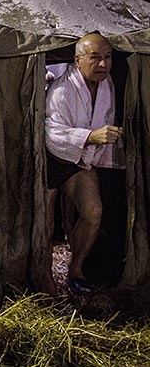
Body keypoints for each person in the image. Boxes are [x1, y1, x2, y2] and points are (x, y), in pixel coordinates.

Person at [44, 32, 125, 296]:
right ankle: (43, 276)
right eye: (96, 58)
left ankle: (76, 270)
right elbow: (52, 134)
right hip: (52, 159)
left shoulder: (106, 85)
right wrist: (90, 137)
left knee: (93, 212)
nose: (103, 64)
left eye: (108, 58)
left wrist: (91, 151)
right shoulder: (61, 90)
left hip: (80, 159)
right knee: (44, 223)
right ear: (78, 61)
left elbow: (105, 121)